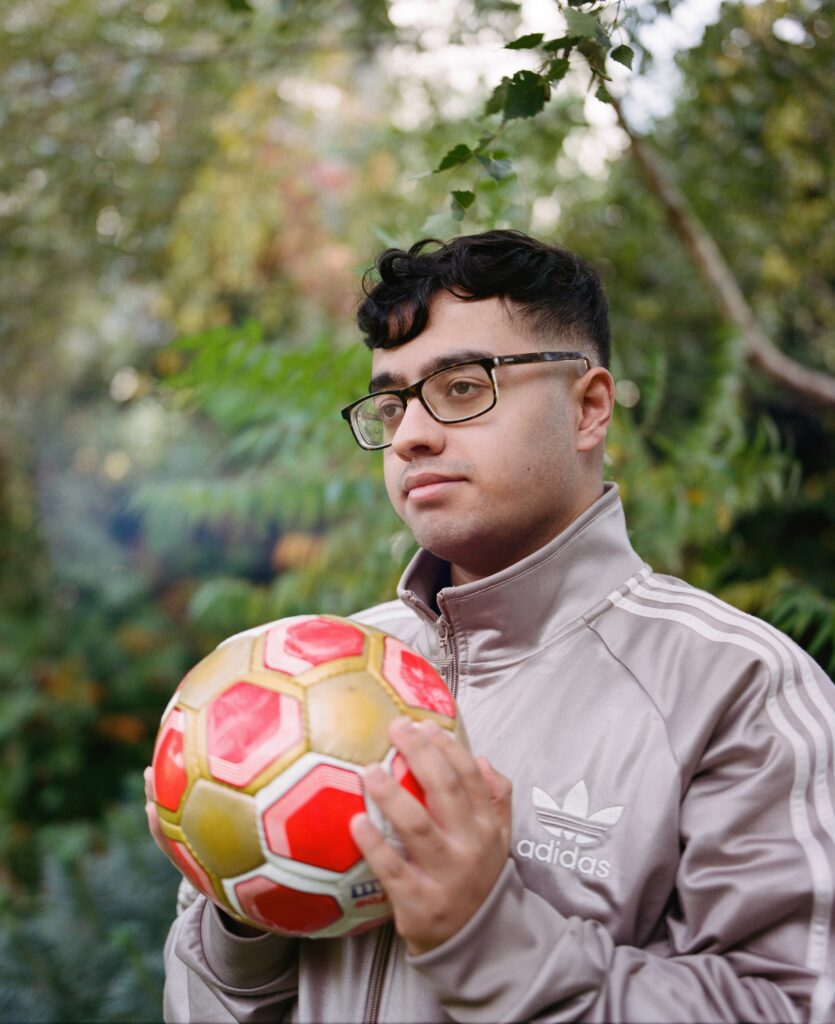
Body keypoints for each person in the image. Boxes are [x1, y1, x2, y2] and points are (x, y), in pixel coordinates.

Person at [150, 230, 835, 1023]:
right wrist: (242, 911)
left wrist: (489, 939)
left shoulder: (738, 687)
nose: (409, 434)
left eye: (462, 387)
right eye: (391, 400)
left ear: (589, 408)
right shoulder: (302, 672)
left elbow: (788, 1007)